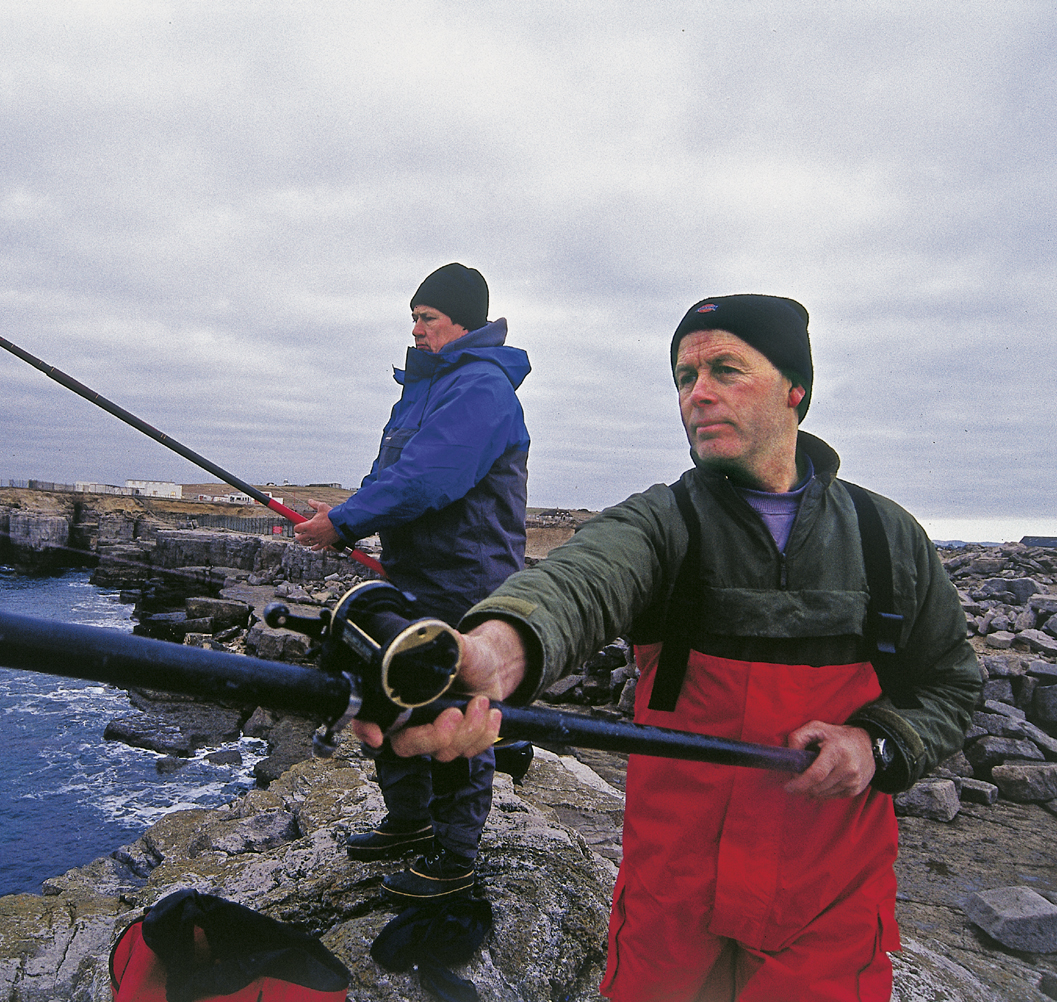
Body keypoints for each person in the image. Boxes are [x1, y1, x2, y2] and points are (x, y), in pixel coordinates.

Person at [357, 294, 982, 1000]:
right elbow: (580, 580)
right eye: (685, 377)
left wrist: (878, 746)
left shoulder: (886, 537)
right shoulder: (663, 520)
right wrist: (490, 654)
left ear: (795, 388)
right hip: (672, 897)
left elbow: (951, 686)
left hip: (828, 899)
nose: (698, 394)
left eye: (725, 369)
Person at [294, 262, 532, 902]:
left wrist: (341, 524)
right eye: (415, 319)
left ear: (463, 321)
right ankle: (409, 821)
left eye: (428, 318)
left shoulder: (481, 388)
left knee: (456, 705)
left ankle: (454, 854)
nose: (418, 330)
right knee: (391, 689)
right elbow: (389, 477)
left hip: (467, 583)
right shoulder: (423, 388)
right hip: (413, 576)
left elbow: (432, 477)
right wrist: (340, 517)